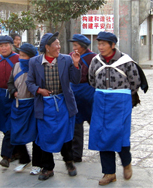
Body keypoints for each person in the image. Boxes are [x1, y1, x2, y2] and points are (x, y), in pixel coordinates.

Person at [88, 31, 148, 186]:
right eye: (98, 44)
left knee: (119, 133)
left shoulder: (126, 61)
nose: (100, 47)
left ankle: (126, 162)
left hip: (120, 103)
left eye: (103, 44)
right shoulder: (95, 61)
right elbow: (91, 80)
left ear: (112, 45)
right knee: (102, 136)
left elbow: (134, 83)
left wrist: (119, 93)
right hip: (101, 101)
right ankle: (109, 173)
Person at [26, 32, 81, 180]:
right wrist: (39, 90)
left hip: (63, 103)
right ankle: (48, 168)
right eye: (56, 44)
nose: (59, 46)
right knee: (45, 136)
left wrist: (76, 64)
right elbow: (29, 82)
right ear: (47, 47)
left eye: (59, 44)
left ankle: (69, 162)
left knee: (66, 134)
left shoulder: (66, 60)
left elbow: (75, 81)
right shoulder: (34, 62)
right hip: (44, 104)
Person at [7, 43, 42, 175]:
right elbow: (10, 83)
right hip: (18, 105)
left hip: (33, 105)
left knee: (35, 135)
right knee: (16, 133)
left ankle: (37, 164)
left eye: (24, 56)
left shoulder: (37, 68)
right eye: (20, 55)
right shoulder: (16, 66)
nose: (20, 58)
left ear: (32, 57)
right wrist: (13, 91)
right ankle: (24, 159)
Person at [0, 35, 20, 168]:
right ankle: (16, 152)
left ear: (11, 45)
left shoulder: (18, 59)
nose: (3, 48)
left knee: (10, 125)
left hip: (13, 96)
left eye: (6, 45)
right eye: (1, 46)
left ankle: (6, 156)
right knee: (3, 124)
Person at [68, 34, 96, 162]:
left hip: (89, 92)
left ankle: (103, 148)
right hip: (74, 92)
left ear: (83, 46)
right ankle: (76, 154)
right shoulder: (70, 56)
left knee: (95, 122)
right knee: (76, 124)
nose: (74, 48)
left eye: (76, 45)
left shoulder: (94, 58)